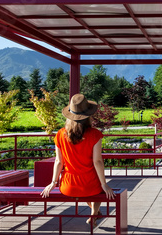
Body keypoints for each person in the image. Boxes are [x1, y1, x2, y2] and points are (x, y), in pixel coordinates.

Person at [42, 93, 114, 226]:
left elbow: (59, 161)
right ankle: (94, 214)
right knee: (97, 187)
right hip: (89, 184)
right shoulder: (94, 134)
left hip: (68, 186)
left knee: (87, 189)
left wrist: (53, 182)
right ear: (88, 115)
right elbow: (97, 161)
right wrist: (104, 184)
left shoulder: (60, 134)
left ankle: (95, 213)